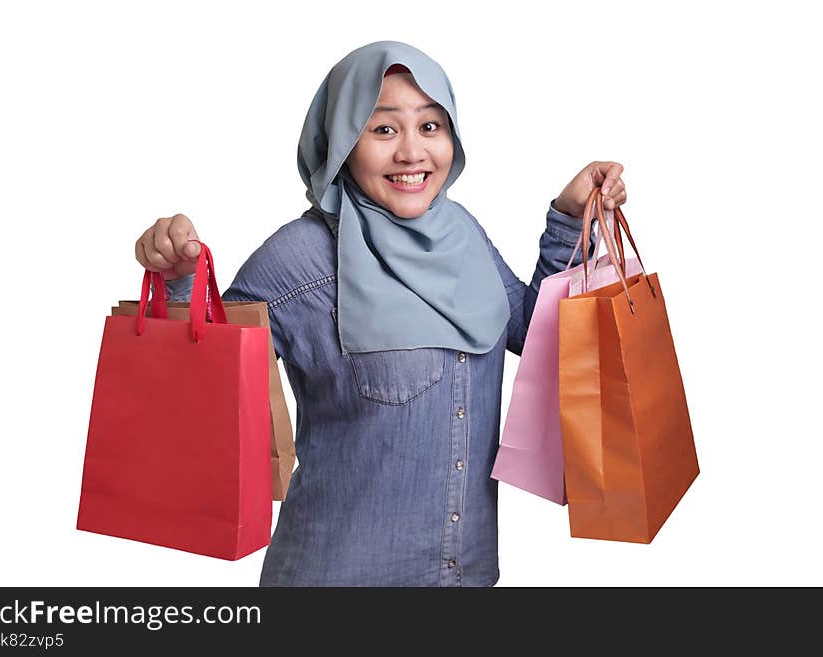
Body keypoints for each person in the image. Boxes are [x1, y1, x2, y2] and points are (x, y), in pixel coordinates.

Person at [133, 41, 627, 586]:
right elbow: (200, 385)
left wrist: (568, 220)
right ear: (343, 142)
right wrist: (178, 281)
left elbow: (535, 336)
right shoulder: (300, 258)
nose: (412, 152)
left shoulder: (463, 238)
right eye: (384, 129)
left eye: (431, 127)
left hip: (464, 579)